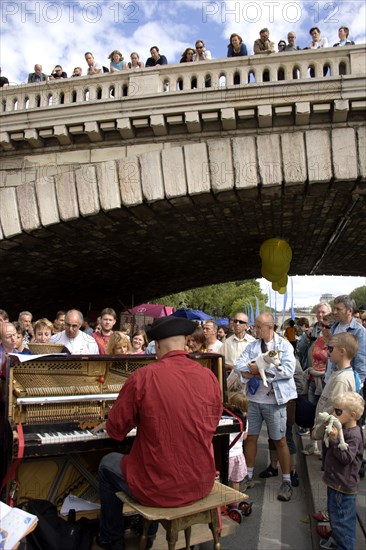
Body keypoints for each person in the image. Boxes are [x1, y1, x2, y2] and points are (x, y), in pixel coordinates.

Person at [94, 316, 222, 549]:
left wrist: (110, 422)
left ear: (157, 347)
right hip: (200, 481)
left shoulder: (143, 376)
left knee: (107, 463)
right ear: (185, 342)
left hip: (159, 487)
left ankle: (111, 538)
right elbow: (212, 423)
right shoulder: (209, 376)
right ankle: (148, 532)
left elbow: (116, 431)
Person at [235, 312, 297, 501]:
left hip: (275, 401)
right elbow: (239, 366)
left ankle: (286, 481)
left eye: (259, 326)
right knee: (251, 438)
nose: (255, 328)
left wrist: (261, 370)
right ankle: (248, 475)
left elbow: (287, 370)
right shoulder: (253, 345)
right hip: (254, 400)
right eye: (255, 326)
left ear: (270, 327)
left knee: (280, 440)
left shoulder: (284, 346)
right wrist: (254, 373)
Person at [315, 392, 364, 550]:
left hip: (343, 486)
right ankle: (336, 538)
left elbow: (346, 458)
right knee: (335, 515)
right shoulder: (342, 429)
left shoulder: (353, 435)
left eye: (338, 412)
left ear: (352, 415)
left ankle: (344, 545)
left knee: (343, 520)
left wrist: (335, 440)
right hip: (336, 482)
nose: (333, 414)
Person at [325, 295, 366, 384]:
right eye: (334, 308)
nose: (335, 312)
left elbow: (361, 362)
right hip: (330, 380)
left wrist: (356, 386)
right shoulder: (333, 327)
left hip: (345, 383)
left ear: (350, 311)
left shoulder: (360, 332)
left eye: (338, 309)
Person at [226, 391, 249, 496]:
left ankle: (224, 503)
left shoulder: (228, 420)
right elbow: (245, 436)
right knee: (236, 481)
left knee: (225, 481)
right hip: (239, 454)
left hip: (228, 455)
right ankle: (234, 502)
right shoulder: (244, 420)